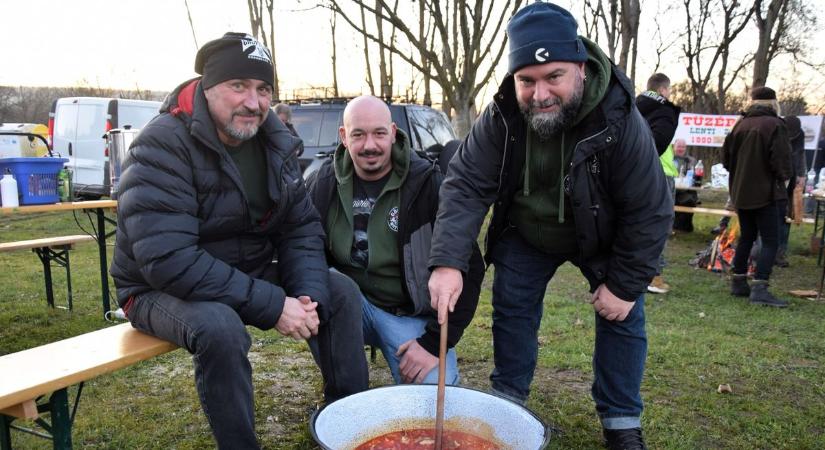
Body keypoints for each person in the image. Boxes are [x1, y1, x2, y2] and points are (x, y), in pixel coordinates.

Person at [427, 4, 671, 449]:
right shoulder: (500, 113)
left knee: (623, 314)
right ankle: (509, 404)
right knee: (513, 307)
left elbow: (650, 207)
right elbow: (464, 184)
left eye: (552, 76)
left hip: (601, 231)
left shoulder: (620, 119)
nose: (539, 94)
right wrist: (446, 261)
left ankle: (621, 422)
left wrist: (625, 283)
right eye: (527, 80)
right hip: (527, 230)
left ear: (579, 67)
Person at [110, 32, 368, 449]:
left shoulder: (274, 140)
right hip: (154, 287)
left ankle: (347, 423)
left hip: (240, 267)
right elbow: (169, 260)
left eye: (263, 89)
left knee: (337, 291)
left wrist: (304, 295)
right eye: (239, 86)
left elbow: (300, 226)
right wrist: (273, 306)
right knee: (220, 327)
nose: (253, 102)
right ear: (208, 88)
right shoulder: (161, 144)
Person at [306, 95, 484, 385]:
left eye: (379, 133)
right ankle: (343, 387)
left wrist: (433, 343)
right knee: (318, 289)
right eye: (358, 135)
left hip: (408, 314)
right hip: (350, 307)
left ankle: (414, 359)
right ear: (343, 136)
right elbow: (302, 250)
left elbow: (471, 267)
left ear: (392, 132)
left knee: (432, 397)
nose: (370, 146)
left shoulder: (429, 184)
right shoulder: (322, 183)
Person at [722, 86, 791, 307]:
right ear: (773, 103)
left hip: (741, 192)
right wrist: (784, 179)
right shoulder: (775, 124)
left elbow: (725, 159)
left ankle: (739, 282)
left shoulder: (740, 125)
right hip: (766, 193)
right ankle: (760, 288)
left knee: (747, 237)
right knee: (771, 241)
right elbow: (781, 162)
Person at [636, 73, 681, 293]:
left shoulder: (634, 107)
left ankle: (640, 272)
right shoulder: (663, 112)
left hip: (638, 174)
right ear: (663, 90)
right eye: (669, 91)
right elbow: (656, 144)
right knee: (659, 224)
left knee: (639, 223)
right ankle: (653, 276)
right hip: (660, 175)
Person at [775, 115, 808, 267]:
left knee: (786, 216)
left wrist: (801, 174)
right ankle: (763, 251)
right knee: (772, 215)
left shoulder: (800, 134)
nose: (793, 137)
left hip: (791, 178)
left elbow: (800, 154)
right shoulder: (776, 130)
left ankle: (781, 253)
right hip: (776, 179)